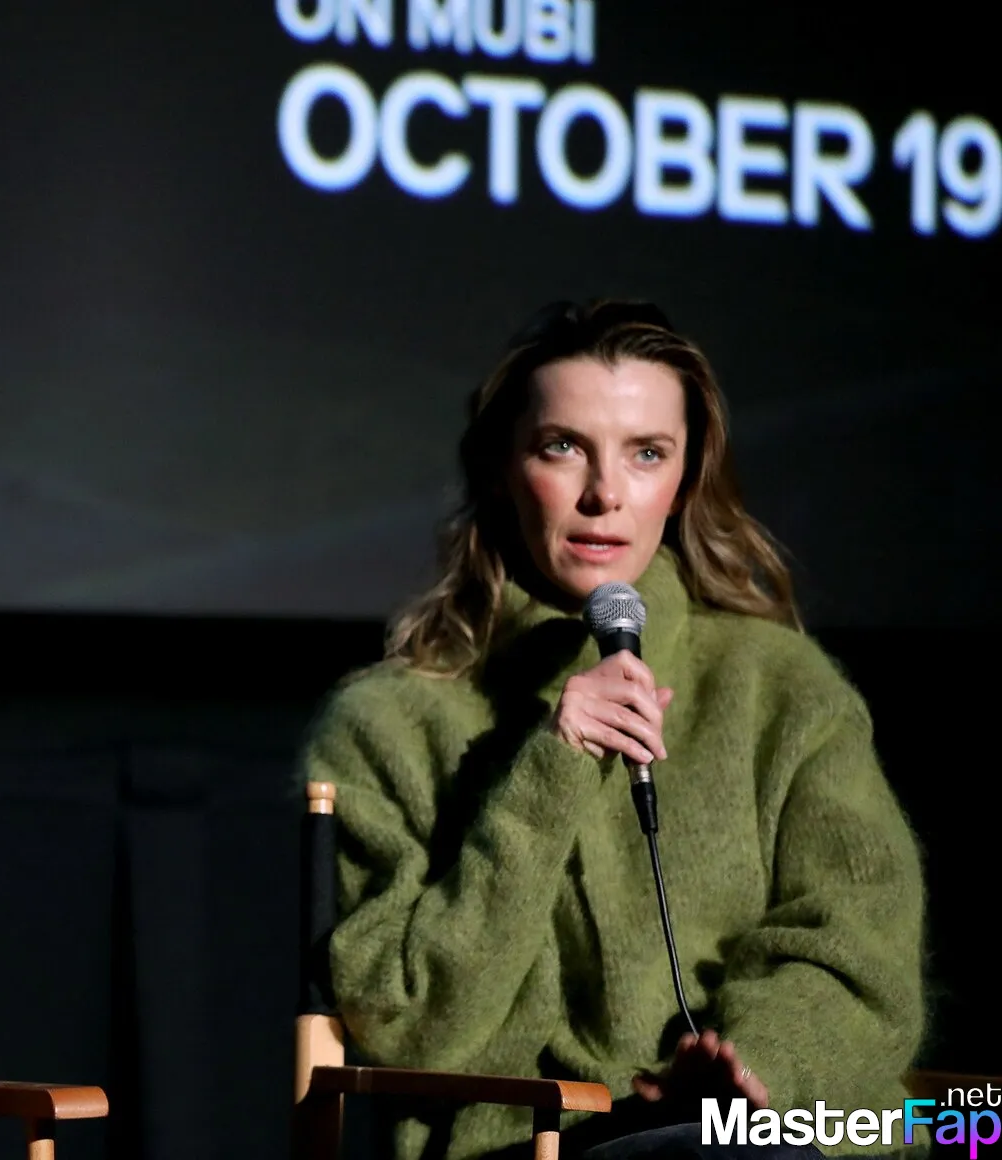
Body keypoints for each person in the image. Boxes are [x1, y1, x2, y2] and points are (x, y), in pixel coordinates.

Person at [301, 301, 924, 1160]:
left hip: (772, 1135)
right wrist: (551, 771)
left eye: (646, 453)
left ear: (686, 480)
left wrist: (754, 1072)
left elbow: (858, 955)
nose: (604, 495)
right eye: (562, 447)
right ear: (502, 470)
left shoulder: (783, 689)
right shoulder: (388, 723)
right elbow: (409, 1023)